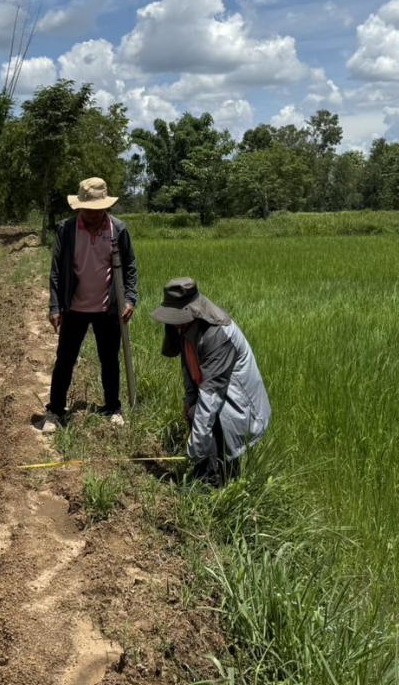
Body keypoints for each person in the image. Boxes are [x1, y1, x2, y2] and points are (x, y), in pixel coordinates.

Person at [37, 176, 138, 432]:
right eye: (88, 210)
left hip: (108, 308)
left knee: (109, 359)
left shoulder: (118, 230)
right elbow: (57, 271)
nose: (93, 215)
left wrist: (129, 298)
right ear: (80, 207)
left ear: (106, 207)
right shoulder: (67, 230)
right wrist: (55, 306)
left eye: (98, 210)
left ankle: (113, 407)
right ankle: (56, 410)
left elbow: (130, 267)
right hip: (75, 307)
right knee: (65, 359)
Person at [150, 278, 270, 485]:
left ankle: (219, 495)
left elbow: (212, 395)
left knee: (220, 460)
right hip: (213, 398)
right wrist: (189, 402)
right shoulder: (183, 328)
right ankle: (206, 478)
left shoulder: (216, 333)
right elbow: (189, 369)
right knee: (202, 431)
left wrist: (195, 447)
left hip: (237, 406)